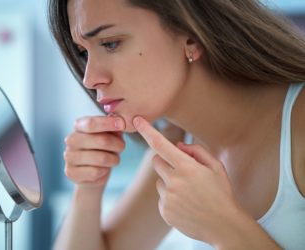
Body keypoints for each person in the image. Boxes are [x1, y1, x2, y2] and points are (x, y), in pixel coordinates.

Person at [48, 0, 305, 249]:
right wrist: (87, 189)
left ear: (190, 35)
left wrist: (224, 227)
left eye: (111, 43)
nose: (89, 79)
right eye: (83, 52)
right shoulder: (177, 146)